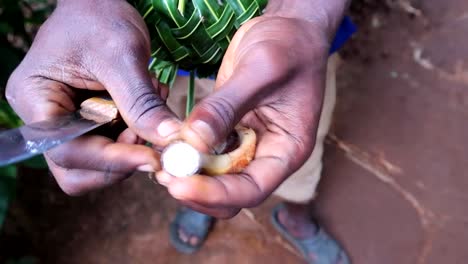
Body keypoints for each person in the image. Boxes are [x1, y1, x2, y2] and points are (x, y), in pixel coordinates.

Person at [6, 0, 351, 263]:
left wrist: (306, 17)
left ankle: (295, 209)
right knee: (194, 176)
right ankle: (199, 202)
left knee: (295, 148)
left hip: (289, 60)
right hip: (154, 60)